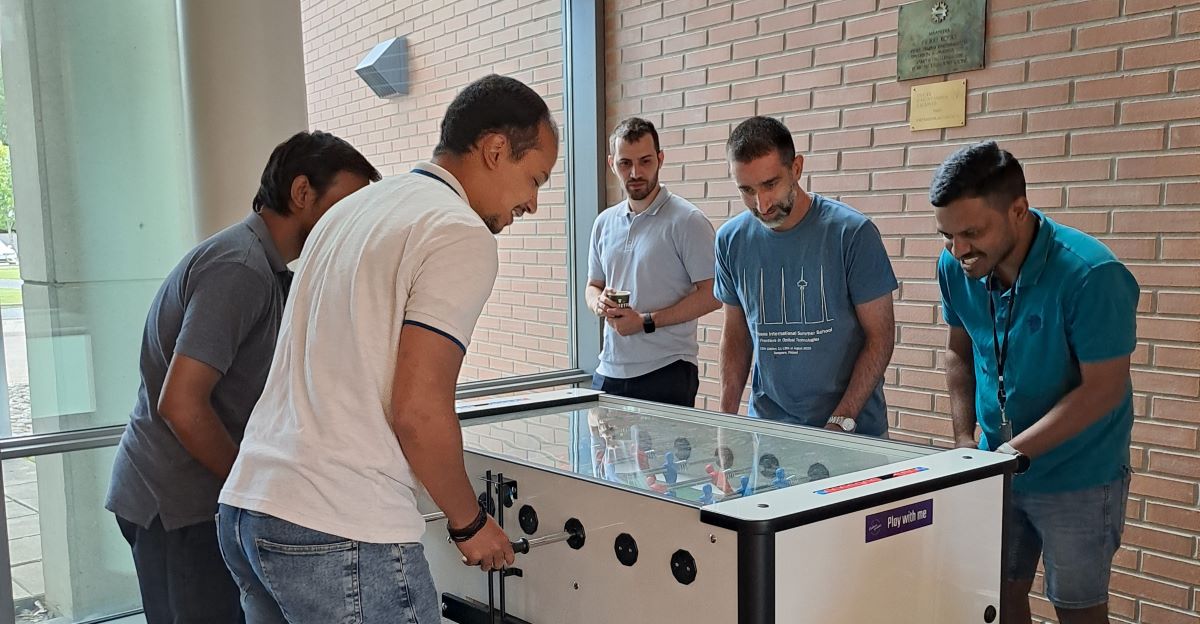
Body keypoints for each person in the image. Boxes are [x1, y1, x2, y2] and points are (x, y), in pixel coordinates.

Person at [216, 74, 559, 623]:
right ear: (496, 150)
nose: (533, 204)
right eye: (534, 178)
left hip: (250, 510)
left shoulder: (351, 212)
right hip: (340, 530)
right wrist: (470, 523)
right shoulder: (458, 231)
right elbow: (418, 412)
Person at [105, 131, 379, 622]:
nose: (353, 221)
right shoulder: (240, 267)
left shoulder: (267, 271)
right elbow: (181, 404)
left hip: (193, 504)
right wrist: (253, 492)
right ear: (302, 192)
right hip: (176, 508)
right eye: (348, 204)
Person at [933, 140, 1137, 624]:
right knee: (995, 597)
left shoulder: (1091, 274)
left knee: (1078, 612)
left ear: (1019, 211)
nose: (959, 251)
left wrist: (1011, 453)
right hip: (997, 468)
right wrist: (965, 440)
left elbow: (1104, 389)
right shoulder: (956, 265)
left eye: (971, 233)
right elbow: (958, 352)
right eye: (946, 236)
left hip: (1079, 476)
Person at [714, 116, 896, 436]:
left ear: (796, 168)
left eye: (770, 184)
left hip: (853, 432)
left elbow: (880, 337)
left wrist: (840, 422)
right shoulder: (731, 240)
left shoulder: (852, 234)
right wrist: (724, 423)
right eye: (747, 190)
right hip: (770, 432)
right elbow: (736, 334)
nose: (761, 204)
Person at [586, 117, 719, 407]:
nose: (635, 172)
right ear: (612, 164)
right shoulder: (603, 223)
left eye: (645, 161)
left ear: (660, 159)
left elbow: (714, 295)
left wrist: (645, 322)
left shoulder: (688, 221)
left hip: (667, 370)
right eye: (625, 163)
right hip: (609, 370)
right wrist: (598, 303)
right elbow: (593, 285)